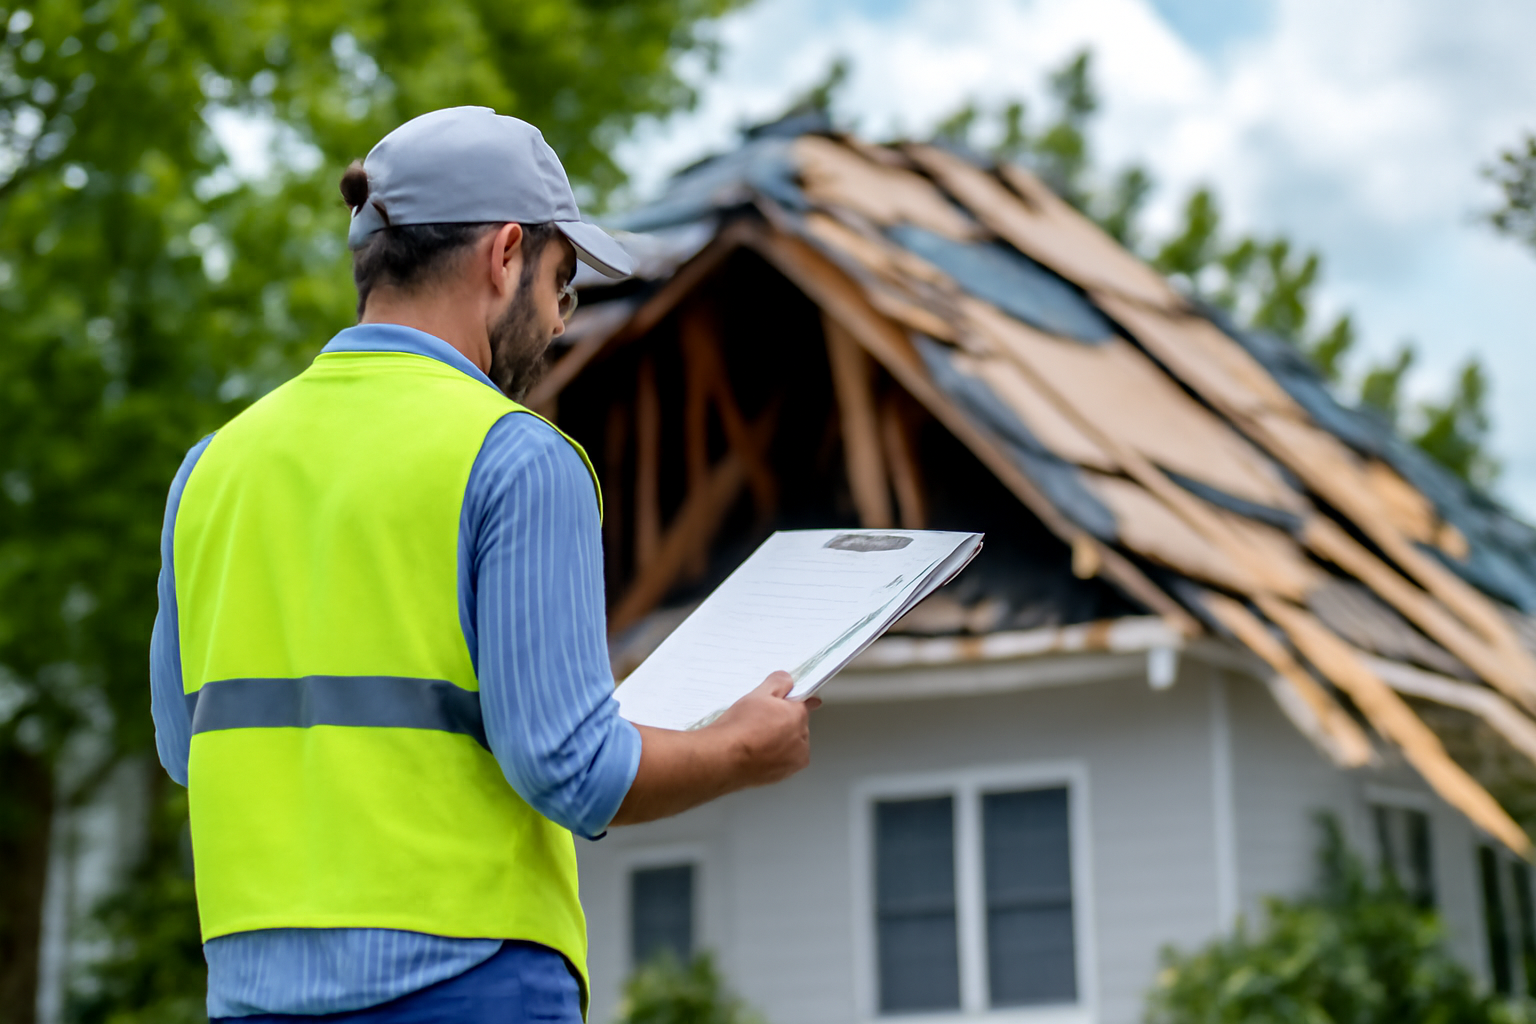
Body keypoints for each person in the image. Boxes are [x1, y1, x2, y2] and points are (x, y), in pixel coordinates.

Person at [149, 106, 817, 1024]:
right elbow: (571, 768)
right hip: (468, 979)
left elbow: (183, 747)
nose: (557, 321)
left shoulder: (211, 469)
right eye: (561, 283)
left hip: (251, 989)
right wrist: (741, 747)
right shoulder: (514, 458)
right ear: (506, 255)